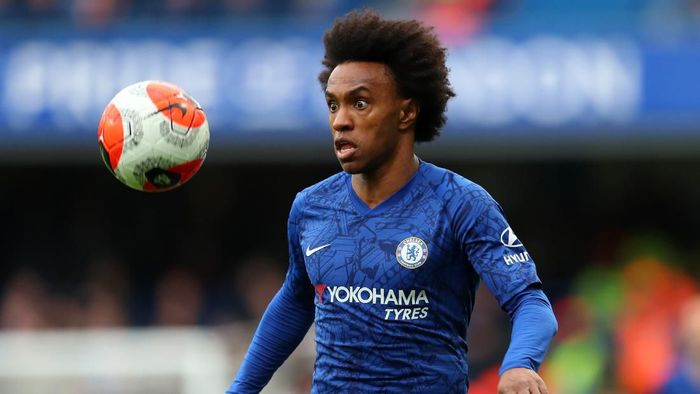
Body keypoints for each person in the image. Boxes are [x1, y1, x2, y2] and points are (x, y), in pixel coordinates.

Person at [227, 9, 557, 393]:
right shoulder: (311, 207)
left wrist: (518, 365)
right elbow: (296, 301)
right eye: (333, 104)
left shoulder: (460, 204)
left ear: (407, 112)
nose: (340, 120)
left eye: (360, 103)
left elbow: (531, 303)